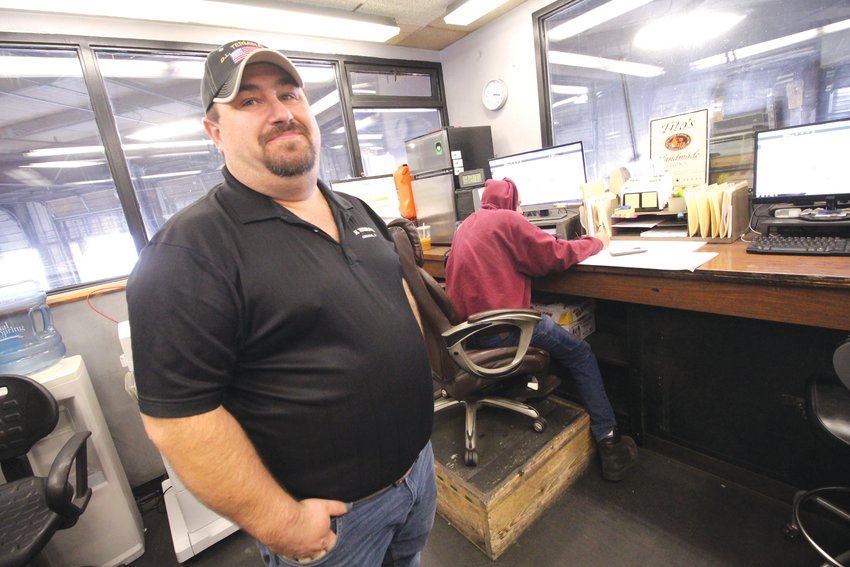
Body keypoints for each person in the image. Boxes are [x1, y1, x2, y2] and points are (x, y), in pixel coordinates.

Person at [126, 39, 436, 567]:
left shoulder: (354, 208)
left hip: (417, 473)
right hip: (335, 519)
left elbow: (392, 295)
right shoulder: (189, 252)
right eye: (249, 101)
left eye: (289, 94)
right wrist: (282, 525)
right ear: (215, 133)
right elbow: (179, 420)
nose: (280, 112)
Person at [445, 177, 638, 481]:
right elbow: (556, 255)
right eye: (519, 205)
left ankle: (529, 383)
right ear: (512, 203)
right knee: (581, 353)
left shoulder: (466, 225)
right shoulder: (508, 220)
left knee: (545, 323)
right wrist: (599, 240)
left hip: (469, 333)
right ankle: (610, 442)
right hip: (505, 329)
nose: (521, 210)